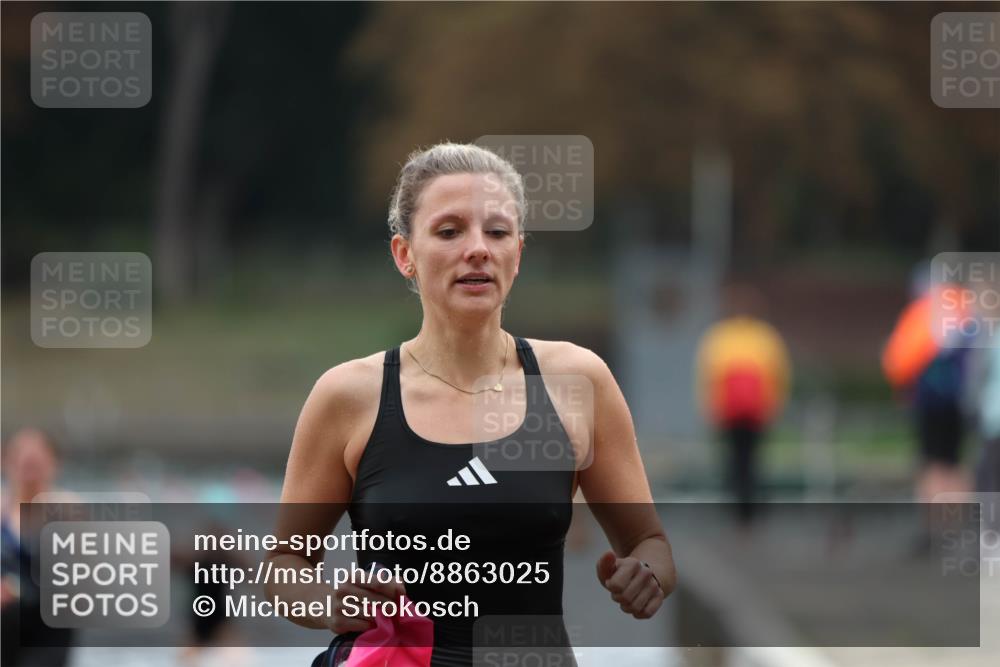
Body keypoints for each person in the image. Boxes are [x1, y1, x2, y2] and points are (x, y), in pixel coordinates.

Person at [266, 143, 676, 666]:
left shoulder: (574, 380)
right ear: (404, 254)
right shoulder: (350, 396)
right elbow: (283, 565)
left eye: (498, 232)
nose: (478, 248)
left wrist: (646, 576)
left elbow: (649, 542)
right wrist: (329, 603)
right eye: (449, 231)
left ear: (518, 254)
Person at [695, 286, 791, 526]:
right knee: (753, 459)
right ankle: (750, 507)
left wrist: (709, 406)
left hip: (729, 411)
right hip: (756, 411)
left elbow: (708, 375)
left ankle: (739, 509)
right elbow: (779, 374)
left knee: (734, 459)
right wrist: (776, 404)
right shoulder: (765, 337)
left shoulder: (719, 337)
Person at [1, 428, 75, 667]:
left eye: (36, 462)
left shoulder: (67, 510)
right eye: (21, 459)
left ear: (53, 464)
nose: (28, 471)